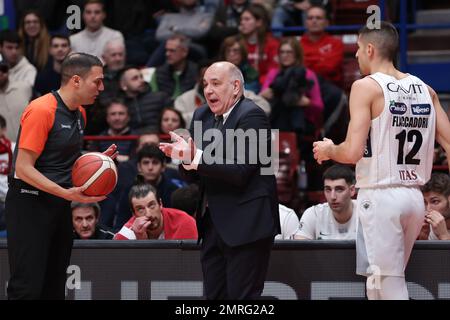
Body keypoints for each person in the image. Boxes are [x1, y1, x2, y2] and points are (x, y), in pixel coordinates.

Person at [313, 22, 450, 300]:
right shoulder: (426, 89)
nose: (356, 56)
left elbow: (352, 153)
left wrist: (329, 150)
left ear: (371, 49)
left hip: (381, 195)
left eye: (359, 50)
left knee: (389, 283)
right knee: (376, 284)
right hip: (413, 197)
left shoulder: (365, 87)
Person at [160, 61, 280, 299]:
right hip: (212, 222)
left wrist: (196, 157)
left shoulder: (253, 115)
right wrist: (185, 160)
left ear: (236, 87)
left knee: (241, 300)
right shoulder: (201, 114)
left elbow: (241, 171)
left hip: (247, 223)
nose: (208, 90)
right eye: (205, 84)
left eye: (216, 83)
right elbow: (192, 175)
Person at [5, 52, 118, 300]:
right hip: (29, 203)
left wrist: (98, 161)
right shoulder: (41, 110)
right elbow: (23, 168)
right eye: (96, 81)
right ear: (76, 80)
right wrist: (66, 192)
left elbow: (63, 160)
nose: (101, 87)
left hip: (59, 202)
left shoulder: (80, 113)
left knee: (55, 286)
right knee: (27, 287)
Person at [114, 180, 197, 240]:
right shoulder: (126, 235)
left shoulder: (183, 222)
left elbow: (190, 262)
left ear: (160, 204)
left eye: (152, 205)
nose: (148, 214)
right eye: (140, 209)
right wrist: (140, 243)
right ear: (133, 214)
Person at [294, 164, 357, 240]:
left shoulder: (366, 213)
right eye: (328, 189)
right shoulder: (314, 214)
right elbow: (300, 250)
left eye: (339, 189)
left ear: (352, 190)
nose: (333, 197)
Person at [420, 173, 450, 240]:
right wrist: (423, 238)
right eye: (425, 202)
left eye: (434, 201)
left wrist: (444, 235)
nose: (428, 209)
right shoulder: (427, 227)